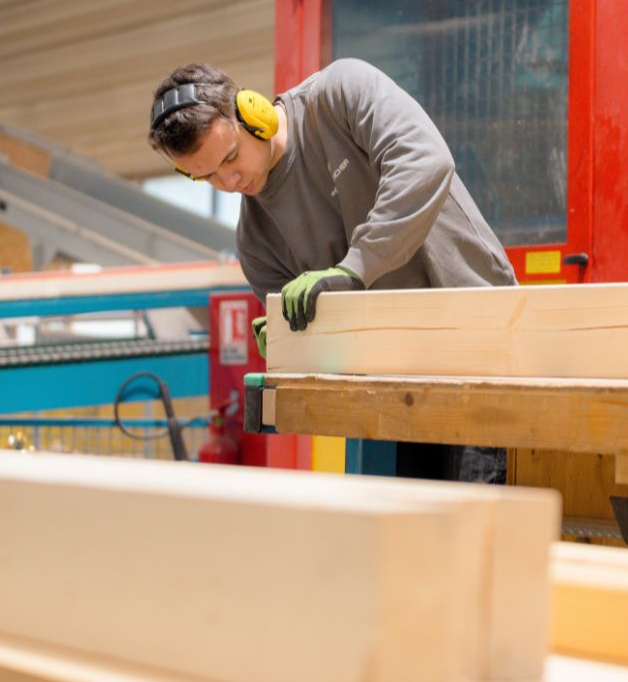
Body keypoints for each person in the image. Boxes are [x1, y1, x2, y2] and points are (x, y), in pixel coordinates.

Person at [149, 58, 516, 483]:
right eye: (208, 177)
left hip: (481, 346)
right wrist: (297, 340)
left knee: (486, 526)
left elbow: (425, 161)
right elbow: (331, 355)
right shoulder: (256, 243)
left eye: (231, 157)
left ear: (253, 113)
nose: (229, 183)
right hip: (395, 388)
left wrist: (354, 269)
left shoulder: (339, 95)